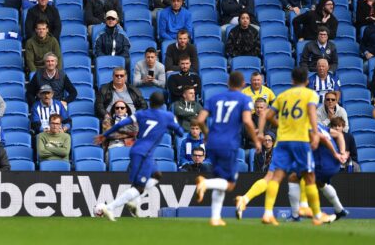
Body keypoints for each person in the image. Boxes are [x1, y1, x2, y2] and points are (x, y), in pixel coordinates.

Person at [255, 67, 334, 225]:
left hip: (283, 141)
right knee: (310, 177)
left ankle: (268, 213)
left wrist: (261, 132)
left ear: (292, 80)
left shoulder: (283, 96)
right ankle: (317, 215)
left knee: (276, 177)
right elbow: (312, 113)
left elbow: (267, 115)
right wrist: (315, 134)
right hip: (300, 140)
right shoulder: (310, 94)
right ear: (307, 81)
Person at [94, 92, 185, 221]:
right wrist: (172, 122)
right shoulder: (167, 116)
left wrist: (105, 134)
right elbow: (180, 133)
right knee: (139, 187)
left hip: (138, 150)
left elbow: (120, 124)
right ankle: (110, 207)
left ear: (149, 103)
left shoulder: (141, 114)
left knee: (157, 175)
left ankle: (135, 202)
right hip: (144, 154)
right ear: (163, 104)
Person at [191, 71, 258, 225]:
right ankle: (205, 184)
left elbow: (200, 120)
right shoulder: (244, 99)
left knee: (219, 179)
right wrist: (256, 140)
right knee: (230, 184)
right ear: (243, 85)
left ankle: (215, 218)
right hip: (229, 144)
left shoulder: (214, 98)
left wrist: (207, 134)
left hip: (213, 142)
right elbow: (247, 122)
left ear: (228, 83)